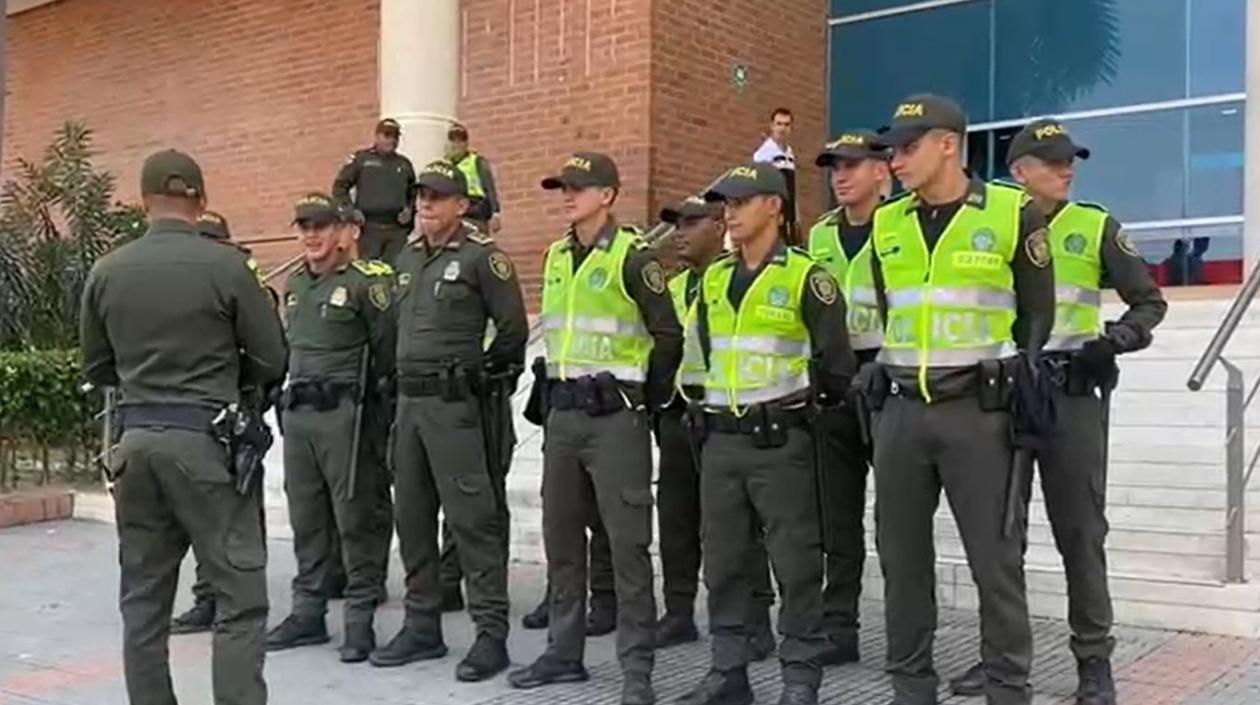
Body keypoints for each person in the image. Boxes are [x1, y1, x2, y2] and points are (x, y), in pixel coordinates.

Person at [947, 120, 1167, 705]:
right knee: (1000, 538)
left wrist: (1115, 340)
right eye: (1053, 161)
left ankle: (1094, 661)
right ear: (1020, 171)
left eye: (1071, 159)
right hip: (1003, 396)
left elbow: (1148, 301)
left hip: (1069, 394)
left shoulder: (1094, 225)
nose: (1068, 168)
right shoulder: (986, 220)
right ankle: (1000, 661)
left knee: (1080, 532)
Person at [865, 94, 1055, 705]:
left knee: (995, 564)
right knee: (901, 561)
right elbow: (881, 307)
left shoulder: (1011, 212)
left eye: (908, 146)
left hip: (979, 414)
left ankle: (1007, 689)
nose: (895, 159)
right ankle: (910, 689)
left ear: (948, 143)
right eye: (892, 148)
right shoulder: (887, 222)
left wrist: (1010, 377)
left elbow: (1037, 314)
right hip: (901, 414)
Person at [80, 149, 287, 705]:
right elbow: (272, 358)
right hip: (206, 444)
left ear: (142, 200)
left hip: (135, 444)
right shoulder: (226, 267)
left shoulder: (108, 270)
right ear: (200, 199)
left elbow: (97, 368)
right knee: (239, 600)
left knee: (144, 601)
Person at [675, 162, 855, 705]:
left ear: (773, 206)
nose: (728, 211)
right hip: (721, 441)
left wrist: (799, 411)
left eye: (740, 200)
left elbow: (837, 366)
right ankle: (728, 672)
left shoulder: (806, 277)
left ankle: (799, 677)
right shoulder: (712, 278)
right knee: (724, 562)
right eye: (724, 202)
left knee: (796, 564)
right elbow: (697, 357)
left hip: (782, 441)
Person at [508, 152, 682, 705]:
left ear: (607, 195)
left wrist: (643, 401)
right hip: (562, 417)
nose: (567, 195)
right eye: (563, 187)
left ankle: (637, 672)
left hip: (615, 419)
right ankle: (564, 653)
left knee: (628, 547)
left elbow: (668, 336)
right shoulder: (558, 255)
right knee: (562, 543)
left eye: (578, 187)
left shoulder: (635, 257)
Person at [369, 161, 528, 683]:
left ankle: (490, 634)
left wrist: (481, 381)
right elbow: (393, 327)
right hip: (410, 409)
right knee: (412, 518)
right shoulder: (406, 256)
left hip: (457, 408)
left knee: (472, 522)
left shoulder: (483, 258)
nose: (426, 205)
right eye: (421, 196)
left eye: (437, 197)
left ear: (462, 205)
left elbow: (511, 331)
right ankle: (422, 626)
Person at [261, 193, 396, 663]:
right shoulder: (296, 285)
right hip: (300, 417)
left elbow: (387, 354)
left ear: (344, 231)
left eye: (321, 225)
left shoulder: (363, 285)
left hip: (347, 416)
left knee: (354, 518)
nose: (312, 235)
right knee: (307, 518)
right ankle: (307, 613)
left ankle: (358, 620)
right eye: (304, 226)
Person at [654, 196, 777, 658]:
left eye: (690, 222)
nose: (679, 233)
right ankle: (679, 612)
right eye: (674, 224)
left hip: (727, 416)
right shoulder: (671, 286)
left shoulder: (736, 278)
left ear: (717, 224)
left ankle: (755, 621)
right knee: (676, 518)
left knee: (738, 526)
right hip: (677, 413)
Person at [806, 129, 890, 666]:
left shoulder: (902, 227)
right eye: (834, 166)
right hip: (834, 384)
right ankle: (839, 627)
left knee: (898, 520)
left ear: (880, 171)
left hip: (890, 378)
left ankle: (909, 631)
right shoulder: (819, 236)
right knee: (835, 517)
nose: (840, 175)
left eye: (852, 165)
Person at [333, 118, 418, 264]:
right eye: (387, 135)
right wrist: (350, 211)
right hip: (369, 229)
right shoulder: (361, 159)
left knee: (395, 273)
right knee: (369, 272)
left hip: (396, 230)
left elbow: (413, 193)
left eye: (395, 136)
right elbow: (339, 187)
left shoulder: (404, 164)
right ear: (377, 136)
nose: (391, 140)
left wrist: (410, 210)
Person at [446, 123, 502, 234]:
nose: (457, 145)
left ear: (466, 144)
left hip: (475, 212)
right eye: (453, 141)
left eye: (461, 141)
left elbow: (489, 187)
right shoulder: (446, 165)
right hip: (455, 213)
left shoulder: (477, 161)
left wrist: (496, 213)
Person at [753, 108, 798, 236]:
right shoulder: (763, 154)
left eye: (786, 124)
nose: (782, 128)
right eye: (779, 124)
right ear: (772, 126)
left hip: (789, 213)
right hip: (772, 212)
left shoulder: (790, 153)